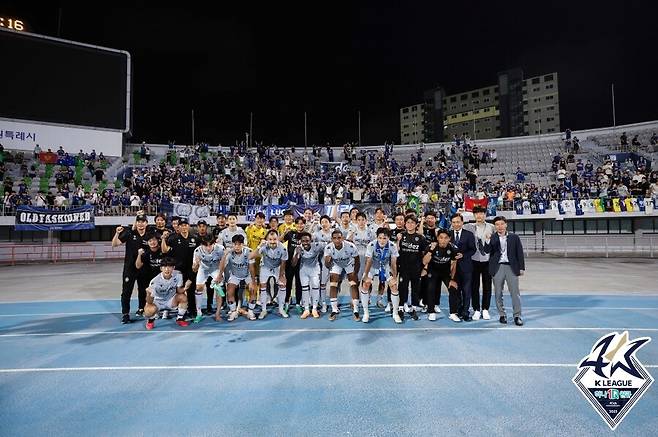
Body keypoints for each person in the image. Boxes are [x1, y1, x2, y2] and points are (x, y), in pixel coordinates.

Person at [479, 216, 525, 326]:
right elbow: (486, 251)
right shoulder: (492, 237)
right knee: (498, 293)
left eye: (502, 224)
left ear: (506, 225)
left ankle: (517, 315)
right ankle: (502, 314)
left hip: (511, 267)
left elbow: (520, 253)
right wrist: (488, 240)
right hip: (497, 267)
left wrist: (521, 267)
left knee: (515, 293)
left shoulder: (514, 237)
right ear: (495, 226)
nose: (500, 226)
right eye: (497, 224)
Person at [112, 214, 149, 324]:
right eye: (139, 222)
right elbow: (114, 244)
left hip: (144, 268)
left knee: (143, 290)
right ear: (136, 223)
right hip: (130, 268)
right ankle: (125, 314)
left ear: (146, 223)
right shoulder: (129, 233)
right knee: (126, 292)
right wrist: (117, 233)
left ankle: (141, 309)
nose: (141, 224)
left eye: (143, 222)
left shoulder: (149, 235)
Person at [161, 217, 198, 317]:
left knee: (191, 290)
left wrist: (197, 263)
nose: (184, 227)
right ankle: (177, 309)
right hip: (178, 270)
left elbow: (199, 252)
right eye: (181, 225)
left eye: (185, 225)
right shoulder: (173, 238)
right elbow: (164, 250)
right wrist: (163, 239)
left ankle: (192, 309)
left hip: (191, 269)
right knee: (178, 290)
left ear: (188, 226)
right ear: (179, 227)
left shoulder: (194, 238)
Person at [361, 228, 399, 323]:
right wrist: (365, 275)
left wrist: (394, 276)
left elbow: (394, 262)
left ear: (388, 238)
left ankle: (395, 313)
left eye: (384, 238)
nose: (382, 240)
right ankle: (366, 313)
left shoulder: (392, 246)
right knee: (366, 284)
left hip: (386, 266)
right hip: (374, 266)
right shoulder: (371, 245)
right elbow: (369, 261)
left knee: (394, 286)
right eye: (380, 238)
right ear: (377, 237)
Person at [216, 234, 257, 321]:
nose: (237, 246)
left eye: (239, 244)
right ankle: (233, 311)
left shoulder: (249, 252)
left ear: (243, 244)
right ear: (232, 244)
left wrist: (253, 282)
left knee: (253, 289)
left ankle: (250, 311)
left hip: (247, 275)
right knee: (229, 291)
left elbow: (252, 268)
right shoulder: (229, 253)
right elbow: (222, 265)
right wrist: (224, 255)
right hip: (235, 275)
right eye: (235, 244)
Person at [143, 257, 192, 329]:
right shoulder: (155, 282)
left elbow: (179, 291)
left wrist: (185, 288)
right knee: (148, 311)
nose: (167, 269)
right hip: (158, 302)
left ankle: (180, 319)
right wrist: (148, 294)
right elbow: (149, 301)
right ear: (161, 268)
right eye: (164, 267)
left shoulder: (178, 275)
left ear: (173, 268)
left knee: (183, 297)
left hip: (170, 300)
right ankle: (150, 320)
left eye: (169, 266)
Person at [396, 215, 428, 322]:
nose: (410, 224)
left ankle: (414, 308)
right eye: (408, 222)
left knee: (415, 289)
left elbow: (426, 254)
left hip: (416, 268)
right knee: (402, 288)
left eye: (412, 222)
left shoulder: (421, 238)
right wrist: (398, 241)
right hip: (404, 267)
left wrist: (425, 268)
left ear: (416, 224)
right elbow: (396, 251)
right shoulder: (401, 236)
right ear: (405, 224)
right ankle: (401, 307)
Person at [422, 229, 459, 322]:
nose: (443, 240)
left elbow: (454, 264)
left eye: (446, 238)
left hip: (445, 273)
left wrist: (452, 279)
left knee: (453, 288)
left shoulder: (453, 248)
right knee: (431, 289)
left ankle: (453, 313)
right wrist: (431, 250)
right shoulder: (432, 246)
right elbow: (424, 261)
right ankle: (431, 312)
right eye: (441, 238)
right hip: (433, 271)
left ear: (449, 239)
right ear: (438, 238)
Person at [324, 229, 360, 321]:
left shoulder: (351, 246)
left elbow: (357, 260)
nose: (337, 240)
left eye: (339, 238)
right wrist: (328, 261)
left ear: (343, 238)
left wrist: (355, 273)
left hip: (349, 263)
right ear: (332, 239)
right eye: (335, 238)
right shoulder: (328, 248)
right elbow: (327, 265)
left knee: (353, 284)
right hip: (336, 264)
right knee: (333, 284)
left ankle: (356, 310)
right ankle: (334, 309)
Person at [465, 206, 494, 320]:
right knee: (474, 286)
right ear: (474, 215)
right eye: (477, 213)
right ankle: (476, 309)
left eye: (481, 213)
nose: (479, 216)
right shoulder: (468, 227)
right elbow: (456, 225)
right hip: (474, 261)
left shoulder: (492, 227)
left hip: (487, 261)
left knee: (487, 287)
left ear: (485, 215)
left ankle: (485, 309)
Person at [252, 230, 288, 319]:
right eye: (270, 239)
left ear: (278, 239)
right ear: (267, 239)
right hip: (265, 267)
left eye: (275, 239)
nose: (272, 241)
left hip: (277, 267)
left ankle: (281, 309)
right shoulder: (264, 247)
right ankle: (263, 310)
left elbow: (283, 263)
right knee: (263, 287)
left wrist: (281, 276)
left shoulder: (283, 248)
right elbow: (251, 256)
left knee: (282, 285)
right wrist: (259, 246)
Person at [291, 232, 325, 318]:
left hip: (315, 269)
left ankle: (314, 309)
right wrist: (297, 254)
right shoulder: (298, 248)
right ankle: (306, 309)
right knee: (305, 288)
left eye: (307, 240)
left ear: (311, 240)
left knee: (315, 286)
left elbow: (329, 246)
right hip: (304, 270)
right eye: (303, 241)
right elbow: (293, 264)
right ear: (300, 241)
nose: (305, 243)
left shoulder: (318, 245)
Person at [192, 234, 225, 322]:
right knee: (198, 288)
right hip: (203, 269)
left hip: (216, 268)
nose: (208, 247)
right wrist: (196, 264)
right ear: (202, 245)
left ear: (214, 243)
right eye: (206, 245)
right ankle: (199, 314)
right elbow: (194, 269)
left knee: (218, 288)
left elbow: (222, 263)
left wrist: (220, 276)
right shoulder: (197, 251)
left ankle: (217, 313)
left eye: (210, 244)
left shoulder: (221, 249)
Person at [450, 214, 476, 321]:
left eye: (458, 222)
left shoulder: (469, 234)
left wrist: (463, 255)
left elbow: (473, 249)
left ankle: (465, 311)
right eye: (454, 222)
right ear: (451, 223)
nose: (456, 224)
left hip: (466, 267)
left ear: (462, 222)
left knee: (466, 290)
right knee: (456, 290)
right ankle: (458, 310)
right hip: (453, 268)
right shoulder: (448, 235)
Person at [135, 232, 165, 316]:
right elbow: (138, 266)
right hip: (149, 279)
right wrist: (139, 255)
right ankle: (143, 308)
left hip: (162, 279)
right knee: (147, 293)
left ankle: (164, 309)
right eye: (150, 241)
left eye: (154, 240)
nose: (152, 242)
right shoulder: (146, 253)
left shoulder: (163, 251)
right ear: (148, 243)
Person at [282, 217, 305, 312]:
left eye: (302, 223)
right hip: (289, 263)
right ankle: (287, 302)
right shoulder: (290, 233)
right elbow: (280, 240)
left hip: (301, 264)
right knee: (288, 283)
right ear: (295, 224)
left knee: (299, 284)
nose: (300, 225)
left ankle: (298, 303)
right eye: (298, 223)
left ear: (304, 224)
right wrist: (284, 232)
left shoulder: (306, 235)